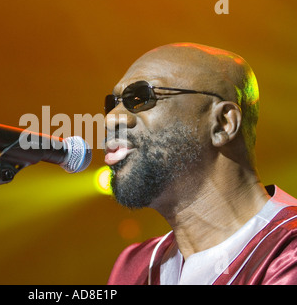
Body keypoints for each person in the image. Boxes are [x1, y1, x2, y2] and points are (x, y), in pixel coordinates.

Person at [104, 42, 297, 285]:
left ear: (223, 124)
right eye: (113, 103)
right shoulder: (135, 266)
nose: (112, 119)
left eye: (140, 97)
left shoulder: (287, 253)